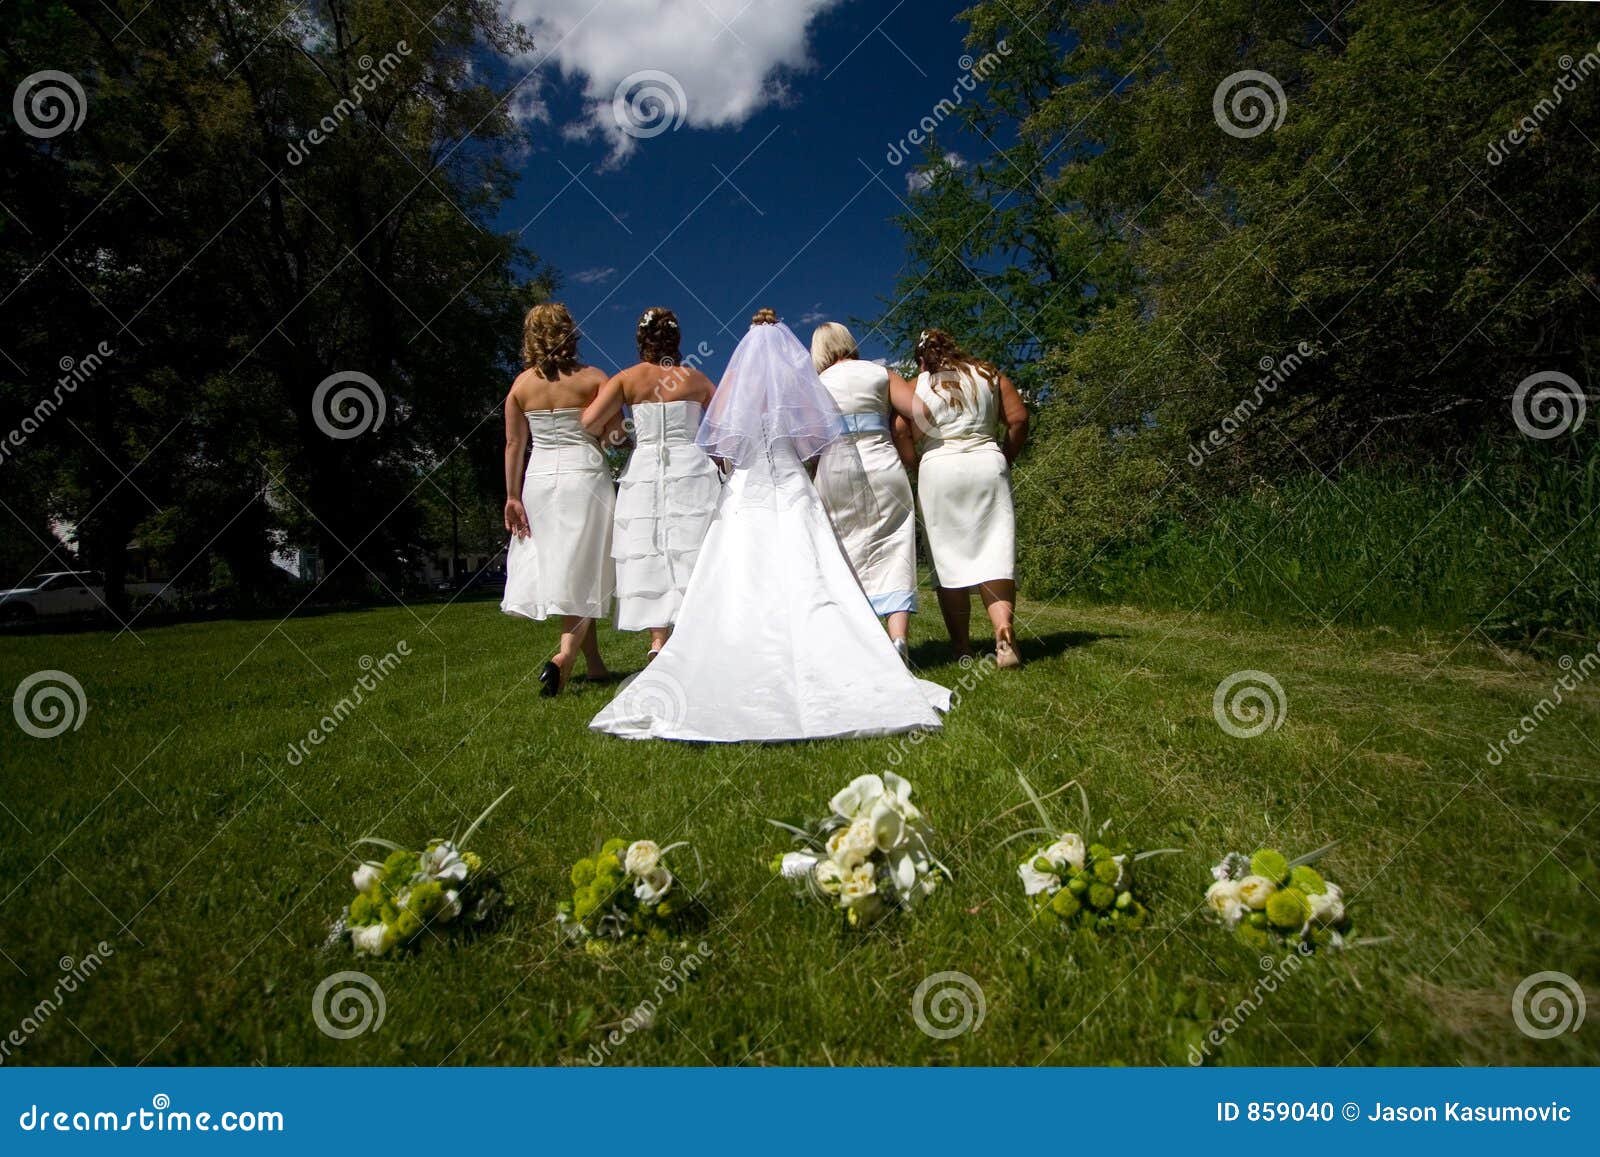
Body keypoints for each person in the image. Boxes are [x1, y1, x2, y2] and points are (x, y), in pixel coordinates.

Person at [589, 310, 950, 742]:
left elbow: (723, 446)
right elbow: (814, 440)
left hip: (746, 488)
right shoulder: (792, 392)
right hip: (791, 482)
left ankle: (708, 646)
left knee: (737, 566)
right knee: (810, 564)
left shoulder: (733, 393)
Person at [582, 308, 721, 659]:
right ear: (676, 340)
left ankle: (657, 640)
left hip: (645, 467)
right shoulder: (697, 379)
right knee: (694, 545)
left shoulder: (627, 379)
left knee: (652, 547)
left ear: (642, 340)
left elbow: (589, 421)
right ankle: (692, 633)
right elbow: (725, 423)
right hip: (691, 467)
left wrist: (619, 436)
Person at [500, 303, 622, 696]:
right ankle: (564, 658)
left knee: (570, 570)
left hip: (538, 481)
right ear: (570, 333)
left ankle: (596, 664)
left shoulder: (519, 387)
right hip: (584, 477)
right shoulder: (593, 379)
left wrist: (512, 496)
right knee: (585, 570)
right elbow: (612, 436)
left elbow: (515, 444)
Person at [911, 328, 1029, 668]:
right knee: (996, 553)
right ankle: (1003, 632)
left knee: (949, 562)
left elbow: (905, 430)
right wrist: (1006, 455)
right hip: (987, 463)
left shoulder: (921, 384)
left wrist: (916, 460)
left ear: (922, 358)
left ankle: (962, 649)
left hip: (940, 470)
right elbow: (1019, 420)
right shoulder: (989, 373)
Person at [810, 322, 920, 664]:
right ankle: (898, 636)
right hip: (883, 464)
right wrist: (897, 430)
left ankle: (859, 642)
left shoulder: (813, 386)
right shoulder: (880, 373)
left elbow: (807, 440)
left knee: (842, 549)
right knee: (895, 545)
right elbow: (920, 412)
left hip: (834, 471)